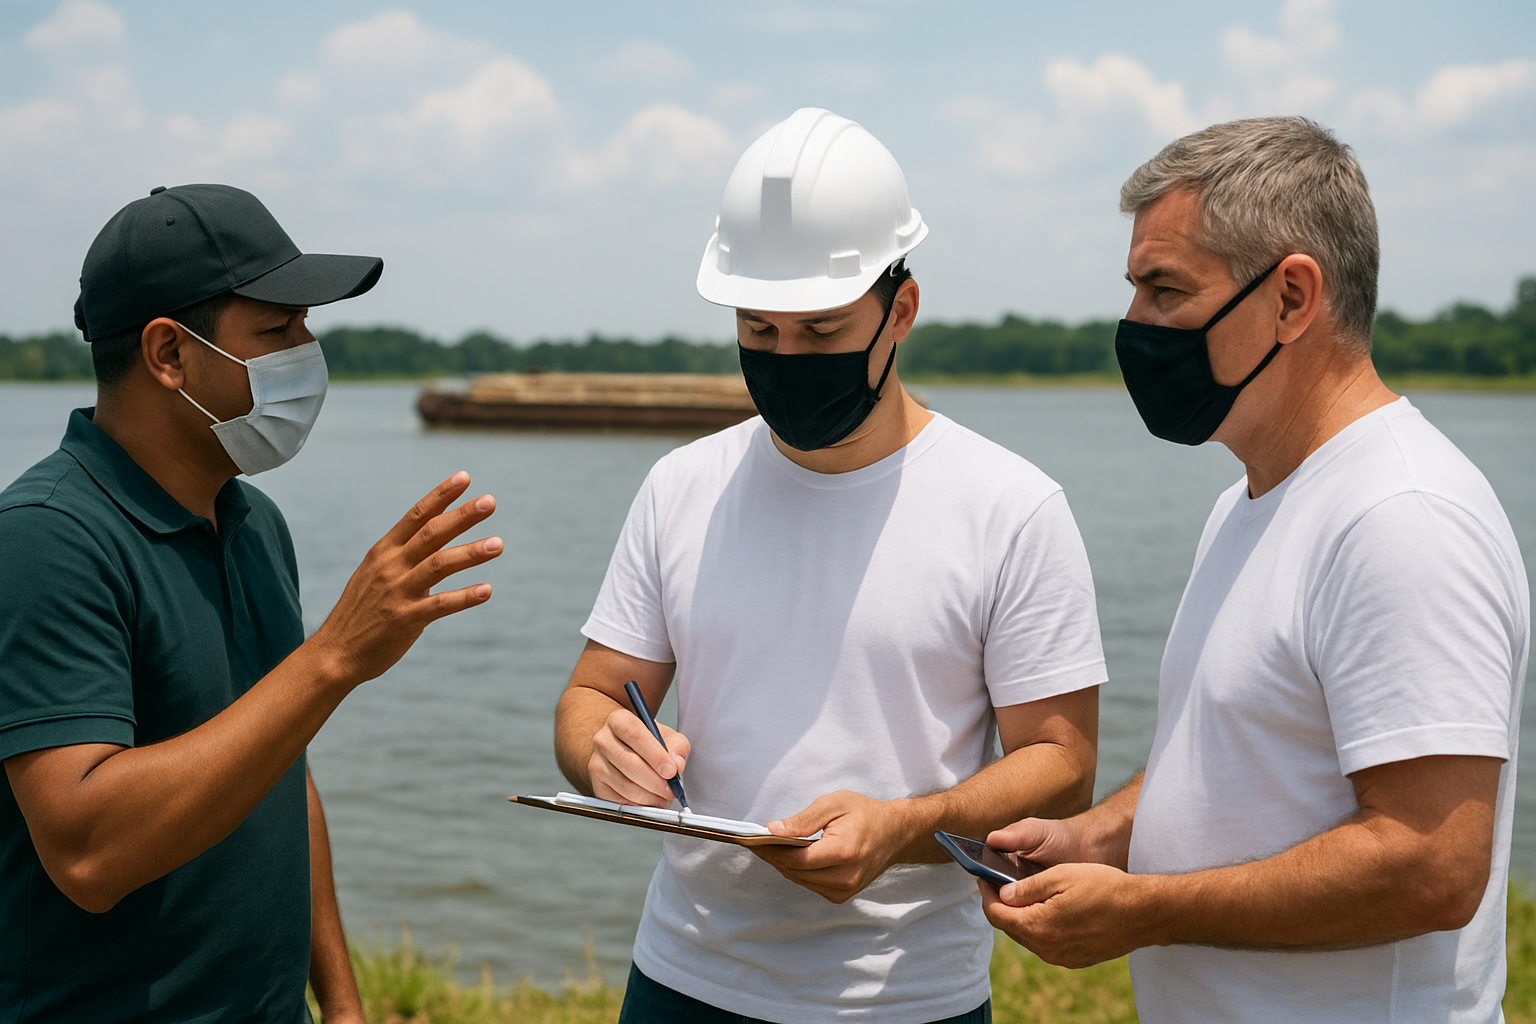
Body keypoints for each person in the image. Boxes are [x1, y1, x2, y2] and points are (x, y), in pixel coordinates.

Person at [554, 107, 1106, 1023]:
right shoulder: (681, 485)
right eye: (759, 331)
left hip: (906, 997)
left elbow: (1061, 762)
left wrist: (902, 827)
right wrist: (605, 755)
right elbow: (591, 699)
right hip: (682, 976)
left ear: (903, 309)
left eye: (819, 332)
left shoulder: (1010, 507)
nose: (786, 360)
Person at [982, 117, 1530, 1023]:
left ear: (1291, 297)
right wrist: (1101, 834)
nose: (1135, 327)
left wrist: (1145, 912)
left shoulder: (1400, 517)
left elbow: (1433, 864)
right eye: (1134, 290)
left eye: (1166, 291)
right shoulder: (1250, 502)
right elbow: (1239, 755)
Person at [0, 184, 504, 1023]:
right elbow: (86, 852)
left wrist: (339, 1002)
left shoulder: (252, 522)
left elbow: (278, 761)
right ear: (169, 353)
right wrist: (334, 658)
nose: (307, 350)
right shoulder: (46, 539)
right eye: (277, 330)